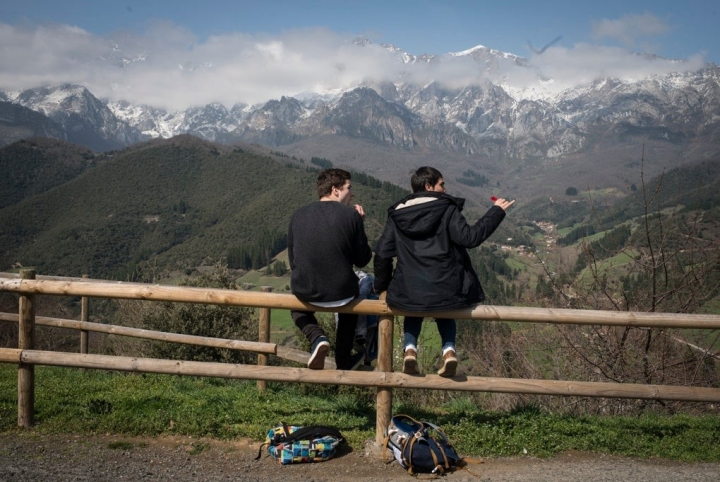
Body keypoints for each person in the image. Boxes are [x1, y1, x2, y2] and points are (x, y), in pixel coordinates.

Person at [373, 166, 514, 377]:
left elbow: (383, 254)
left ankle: (410, 350)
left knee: (414, 305)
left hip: (410, 288)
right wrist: (496, 211)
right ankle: (449, 352)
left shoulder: (397, 215)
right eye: (442, 184)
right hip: (446, 285)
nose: (445, 189)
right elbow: (470, 238)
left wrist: (382, 286)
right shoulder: (447, 209)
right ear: (428, 186)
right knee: (445, 306)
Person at [288, 168, 373, 370]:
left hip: (305, 290)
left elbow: (293, 261)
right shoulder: (351, 216)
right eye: (348, 188)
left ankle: (317, 337)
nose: (352, 194)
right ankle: (343, 359)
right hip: (342, 291)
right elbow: (362, 260)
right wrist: (360, 225)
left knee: (294, 307)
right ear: (335, 190)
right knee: (353, 300)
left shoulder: (297, 215)